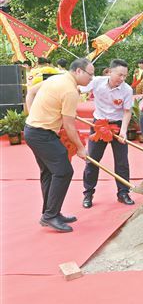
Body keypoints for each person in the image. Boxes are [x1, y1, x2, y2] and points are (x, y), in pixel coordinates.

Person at [23, 58, 94, 232]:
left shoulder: (56, 78)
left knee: (49, 172)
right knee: (63, 171)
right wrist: (80, 148)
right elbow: (68, 125)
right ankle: (50, 216)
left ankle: (50, 213)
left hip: (33, 130)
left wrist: (32, 115)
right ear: (78, 71)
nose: (91, 78)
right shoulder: (70, 90)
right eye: (90, 74)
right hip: (42, 134)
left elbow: (31, 92)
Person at [80, 59, 134, 208]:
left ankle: (123, 193)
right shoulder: (96, 82)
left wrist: (123, 131)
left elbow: (127, 111)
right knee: (93, 160)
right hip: (99, 124)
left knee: (122, 161)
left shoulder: (127, 90)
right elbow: (79, 89)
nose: (122, 79)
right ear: (110, 72)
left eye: (125, 76)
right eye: (119, 75)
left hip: (117, 125)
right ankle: (88, 193)